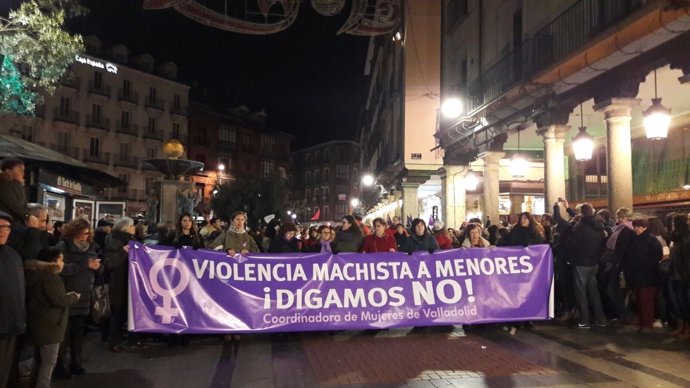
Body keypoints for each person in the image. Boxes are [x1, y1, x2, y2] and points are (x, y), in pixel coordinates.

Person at [24, 247, 79, 388]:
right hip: (50, 326)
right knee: (48, 362)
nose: (63, 263)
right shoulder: (50, 277)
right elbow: (59, 300)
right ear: (52, 261)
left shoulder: (33, 273)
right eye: (61, 259)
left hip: (37, 322)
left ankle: (34, 384)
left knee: (38, 360)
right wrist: (73, 296)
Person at [54, 218, 102, 377]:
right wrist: (83, 265)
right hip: (67, 296)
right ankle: (60, 366)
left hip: (84, 297)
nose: (84, 237)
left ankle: (76, 363)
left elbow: (96, 269)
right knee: (63, 336)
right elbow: (58, 269)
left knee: (78, 334)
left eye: (87, 234)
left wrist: (98, 267)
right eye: (80, 234)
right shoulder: (63, 247)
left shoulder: (91, 247)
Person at [566, 203, 608, 329]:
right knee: (594, 291)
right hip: (594, 263)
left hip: (581, 263)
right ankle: (601, 319)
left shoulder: (581, 227)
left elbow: (571, 244)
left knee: (581, 292)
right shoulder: (600, 227)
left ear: (582, 213)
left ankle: (585, 320)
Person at [103, 217, 142, 352]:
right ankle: (114, 342)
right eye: (132, 225)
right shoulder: (115, 242)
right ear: (125, 228)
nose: (134, 227)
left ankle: (133, 339)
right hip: (119, 282)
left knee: (131, 312)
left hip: (131, 282)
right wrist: (124, 251)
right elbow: (110, 263)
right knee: (118, 314)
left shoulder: (133, 240)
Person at [623, 218, 663, 333]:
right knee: (639, 301)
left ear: (645, 227)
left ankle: (647, 325)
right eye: (635, 226)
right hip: (637, 275)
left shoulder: (651, 240)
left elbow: (656, 256)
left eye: (639, 226)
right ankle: (642, 323)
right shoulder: (634, 239)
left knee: (646, 301)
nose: (636, 228)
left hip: (648, 275)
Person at [0, 211, 24, 388]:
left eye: (7, 227)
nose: (3, 231)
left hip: (12, 325)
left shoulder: (12, 254)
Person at [0, 158, 27, 222]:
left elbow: (24, 204)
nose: (23, 173)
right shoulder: (4, 184)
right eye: (19, 170)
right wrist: (27, 216)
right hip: (6, 222)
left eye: (23, 170)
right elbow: (13, 205)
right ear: (8, 170)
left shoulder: (18, 185)